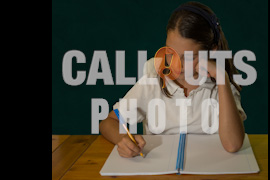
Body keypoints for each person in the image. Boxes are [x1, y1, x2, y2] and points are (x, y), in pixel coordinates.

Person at [99, 1, 247, 157]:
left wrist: (222, 78)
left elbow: (233, 145)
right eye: (170, 52)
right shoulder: (152, 82)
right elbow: (108, 123)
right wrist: (123, 140)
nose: (177, 63)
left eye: (189, 57)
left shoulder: (222, 87)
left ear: (212, 51)